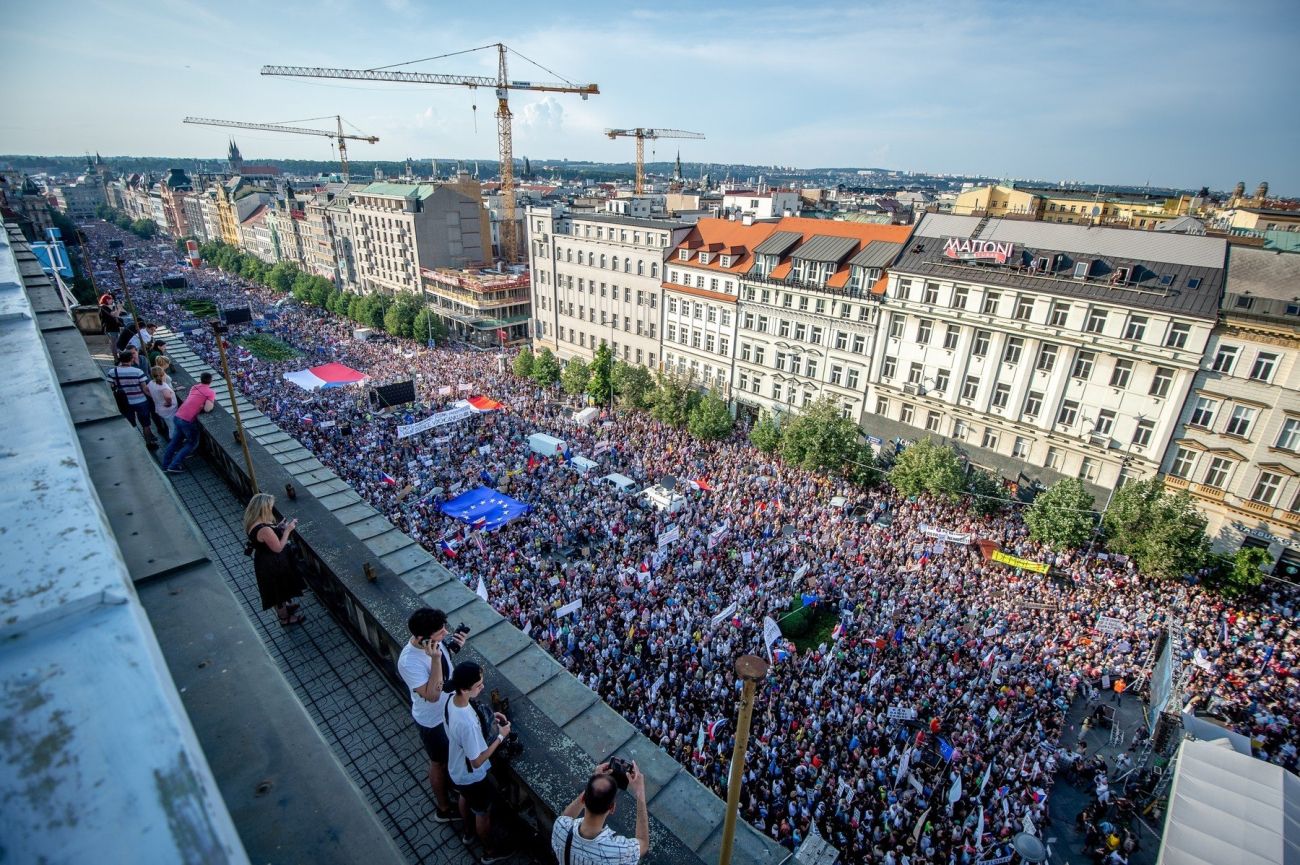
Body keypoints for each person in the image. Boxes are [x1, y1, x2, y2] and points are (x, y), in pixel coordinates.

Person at [397, 607, 464, 822]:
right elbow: (431, 695)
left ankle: (451, 789)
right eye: (440, 632)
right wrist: (435, 658)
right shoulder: (409, 661)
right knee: (439, 763)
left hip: (449, 710)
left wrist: (452, 647)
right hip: (433, 720)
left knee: (450, 758)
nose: (445, 633)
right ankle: (443, 809)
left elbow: (444, 670)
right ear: (421, 638)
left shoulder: (434, 642)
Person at [444, 663, 513, 863]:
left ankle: (468, 832)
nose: (482, 687)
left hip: (456, 769)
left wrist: (489, 716)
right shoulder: (466, 722)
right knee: (483, 812)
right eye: (479, 685)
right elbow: (477, 760)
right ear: (465, 689)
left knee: (465, 797)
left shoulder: (452, 698)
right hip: (471, 775)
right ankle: (490, 851)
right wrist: (500, 736)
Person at [552, 762, 648, 865]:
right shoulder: (617, 851)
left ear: (583, 799)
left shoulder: (560, 828)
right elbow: (643, 843)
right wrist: (640, 792)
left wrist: (593, 782)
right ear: (612, 808)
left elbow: (566, 817)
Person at [241, 492, 305, 626]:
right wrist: (288, 530)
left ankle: (285, 610)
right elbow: (278, 548)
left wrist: (278, 528)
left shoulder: (252, 521)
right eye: (270, 506)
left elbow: (266, 539)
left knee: (275, 589)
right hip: (272, 563)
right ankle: (284, 618)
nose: (271, 508)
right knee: (278, 590)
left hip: (263, 560)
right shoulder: (264, 529)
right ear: (263, 508)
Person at [162, 371, 216, 473]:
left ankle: (165, 465)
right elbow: (208, 408)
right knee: (192, 443)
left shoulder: (194, 387)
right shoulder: (210, 392)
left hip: (178, 416)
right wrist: (205, 405)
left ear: (201, 379)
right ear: (210, 381)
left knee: (174, 442)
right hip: (188, 420)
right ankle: (174, 465)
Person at [107, 350, 157, 449]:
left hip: (125, 403)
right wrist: (155, 398)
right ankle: (149, 443)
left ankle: (135, 444)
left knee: (131, 424)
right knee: (145, 424)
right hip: (141, 401)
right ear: (131, 359)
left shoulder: (113, 372)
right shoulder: (138, 372)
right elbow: (145, 389)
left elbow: (110, 387)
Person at [146, 365, 177, 441]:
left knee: (169, 425)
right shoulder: (163, 386)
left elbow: (145, 389)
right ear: (163, 374)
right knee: (172, 427)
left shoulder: (151, 383)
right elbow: (168, 397)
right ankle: (174, 443)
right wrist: (168, 403)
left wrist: (153, 396)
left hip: (160, 408)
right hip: (169, 410)